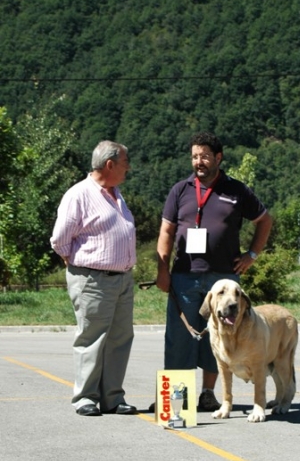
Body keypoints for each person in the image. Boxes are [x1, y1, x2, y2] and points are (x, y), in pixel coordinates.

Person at [155, 131, 272, 412]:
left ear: (218, 158)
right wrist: (162, 269)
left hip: (225, 280)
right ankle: (176, 404)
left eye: (205, 156)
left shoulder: (237, 190)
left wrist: (252, 255)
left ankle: (209, 394)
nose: (199, 161)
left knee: (219, 338)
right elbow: (166, 232)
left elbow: (265, 220)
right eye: (195, 156)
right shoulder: (180, 190)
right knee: (179, 339)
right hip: (184, 276)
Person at [50, 140, 137, 417]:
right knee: (92, 338)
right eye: (125, 162)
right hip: (93, 279)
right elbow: (59, 239)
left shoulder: (116, 193)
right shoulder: (79, 194)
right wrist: (73, 260)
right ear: (109, 165)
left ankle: (112, 397)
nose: (129, 168)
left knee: (120, 338)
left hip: (122, 279)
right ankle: (85, 397)